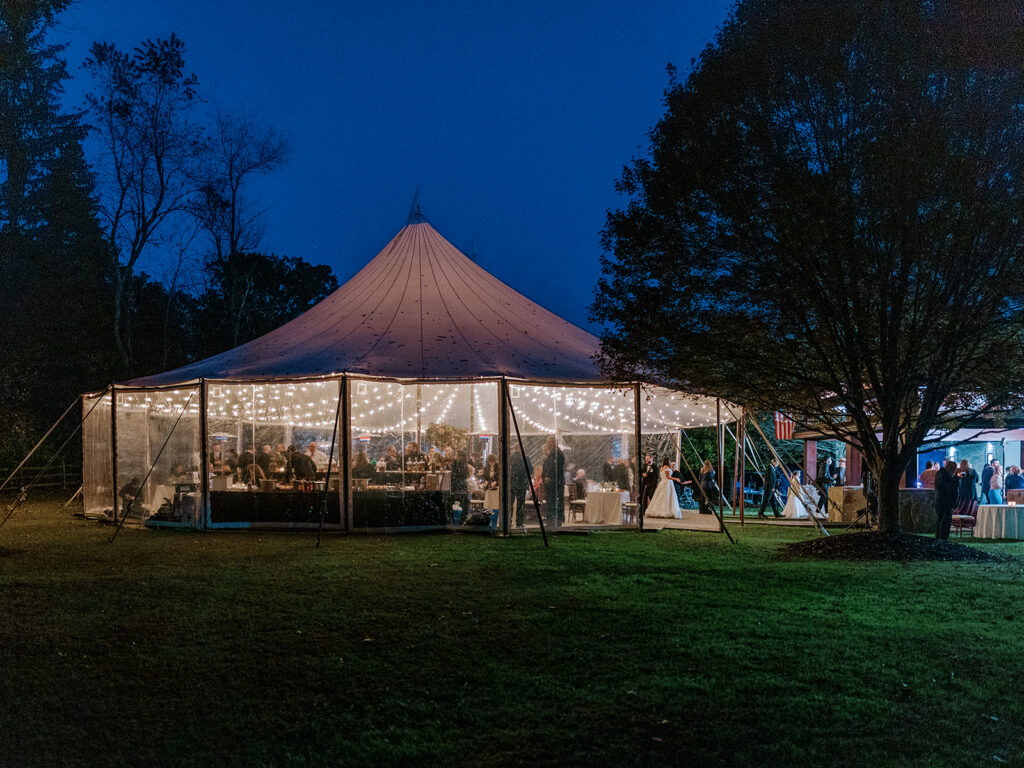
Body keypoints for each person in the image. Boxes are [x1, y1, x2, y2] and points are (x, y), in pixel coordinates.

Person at [541, 436, 565, 526]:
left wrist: (548, 476)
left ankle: (554, 520)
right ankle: (553, 519)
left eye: (548, 442)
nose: (547, 444)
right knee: (553, 501)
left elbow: (553, 468)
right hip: (553, 482)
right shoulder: (554, 453)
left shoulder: (556, 454)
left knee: (554, 501)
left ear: (553, 443)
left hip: (554, 483)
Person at [934, 459, 959, 540]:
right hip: (944, 501)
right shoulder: (943, 475)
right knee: (944, 520)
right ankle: (942, 537)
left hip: (943, 501)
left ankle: (941, 537)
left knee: (943, 520)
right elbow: (949, 487)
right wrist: (956, 479)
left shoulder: (942, 474)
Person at [510, 455, 531, 526]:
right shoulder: (526, 459)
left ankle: (508, 521)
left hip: (512, 484)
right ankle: (519, 522)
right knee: (520, 504)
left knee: (510, 503)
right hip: (521, 485)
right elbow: (530, 470)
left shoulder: (511, 458)